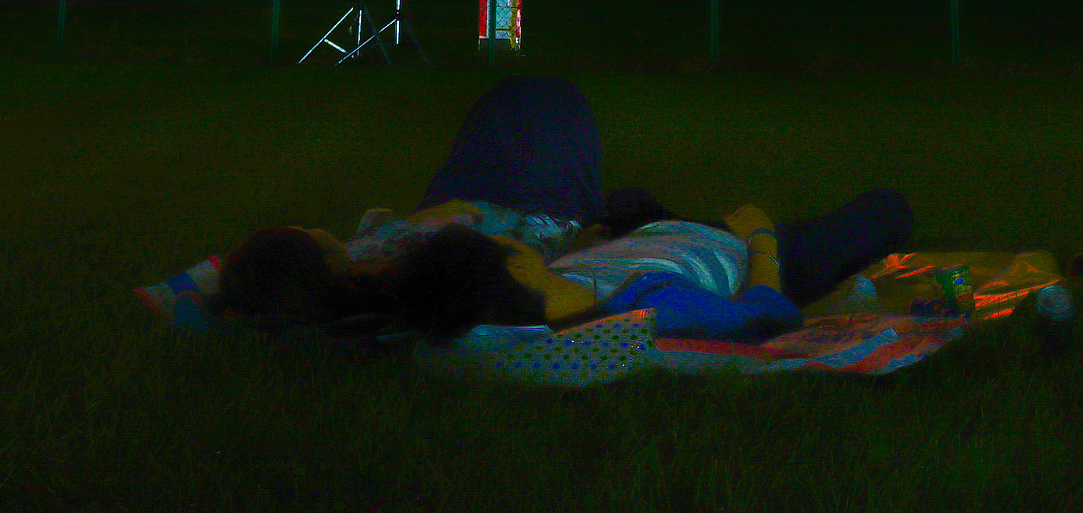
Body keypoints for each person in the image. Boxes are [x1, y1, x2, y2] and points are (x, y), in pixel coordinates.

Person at [207, 77, 911, 342]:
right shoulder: (641, 307)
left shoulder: (437, 283)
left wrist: (600, 239)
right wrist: (757, 242)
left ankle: (628, 214)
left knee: (632, 206)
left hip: (654, 238)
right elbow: (765, 316)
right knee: (878, 212)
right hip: (731, 255)